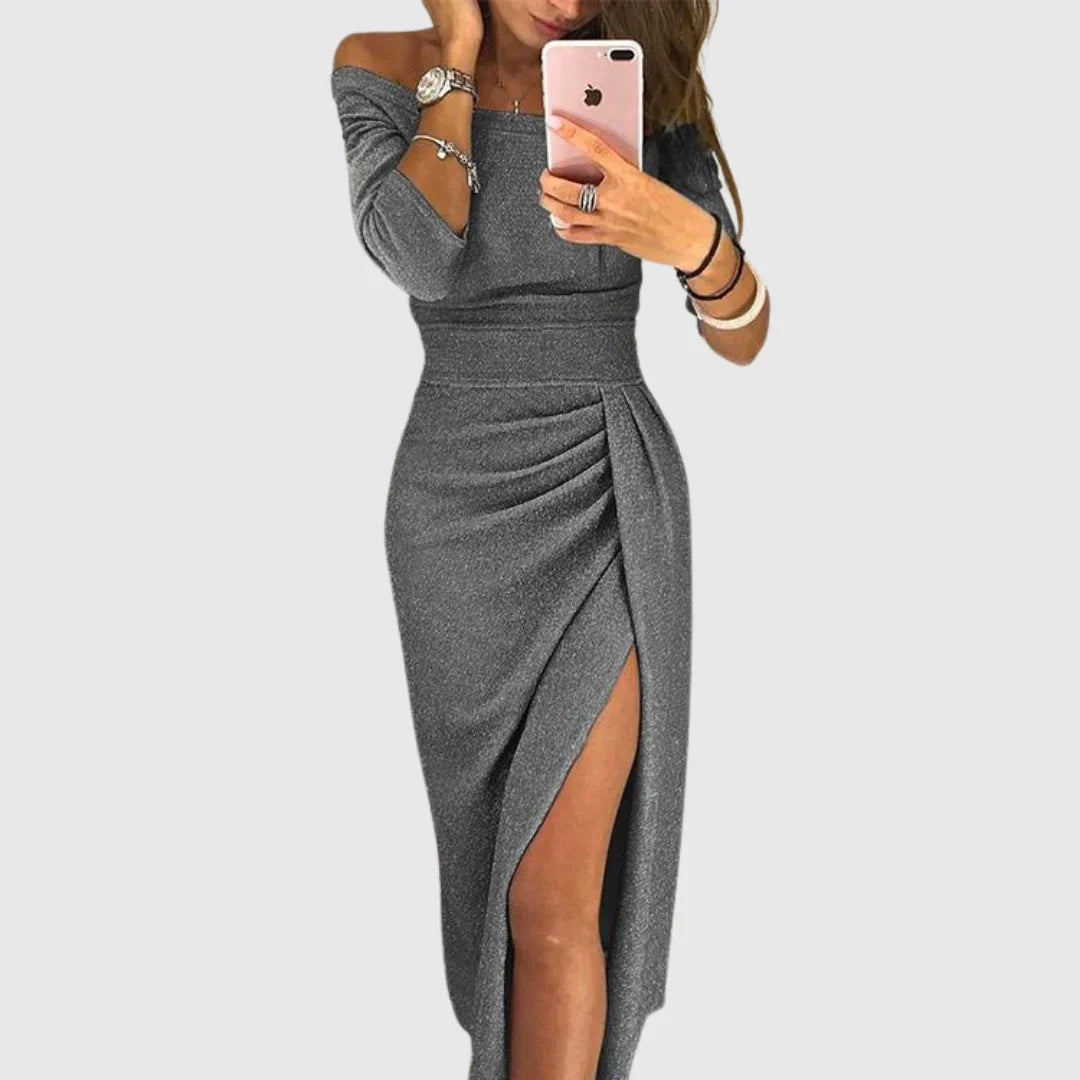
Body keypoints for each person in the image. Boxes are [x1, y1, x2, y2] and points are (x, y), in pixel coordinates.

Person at [330, 1, 769, 1077]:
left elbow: (746, 335)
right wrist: (457, 59)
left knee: (556, 898)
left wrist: (694, 243)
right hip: (454, 515)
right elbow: (418, 257)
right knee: (496, 876)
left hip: (607, 490)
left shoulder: (637, 78)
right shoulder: (379, 65)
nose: (567, 2)